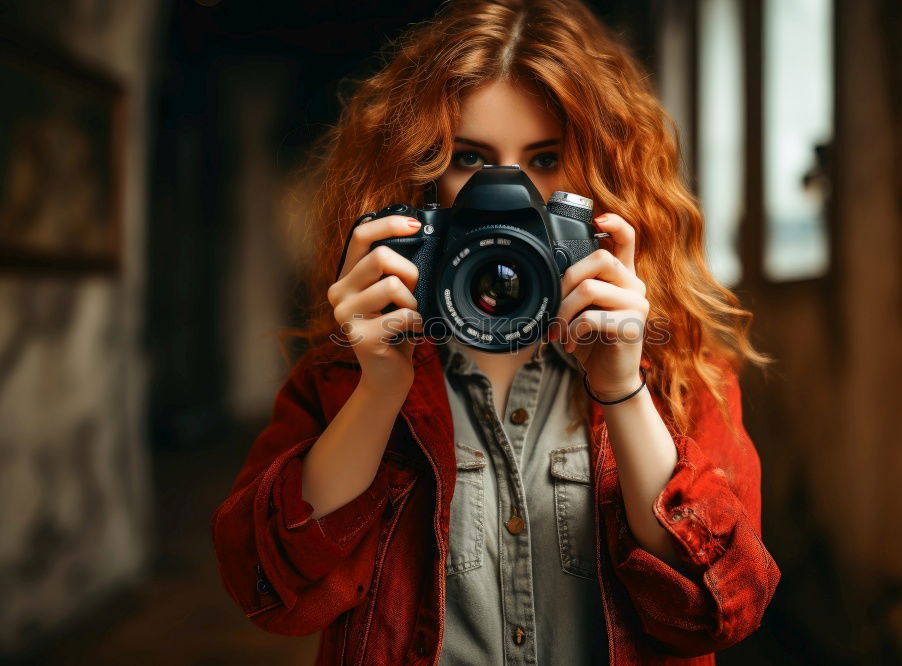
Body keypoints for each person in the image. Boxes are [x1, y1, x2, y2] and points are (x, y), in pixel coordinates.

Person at [211, 0, 780, 664]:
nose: (507, 192)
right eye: (470, 158)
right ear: (421, 180)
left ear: (601, 177)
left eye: (545, 161)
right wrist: (379, 390)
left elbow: (721, 609)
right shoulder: (351, 370)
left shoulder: (680, 371)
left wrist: (624, 387)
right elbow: (269, 589)